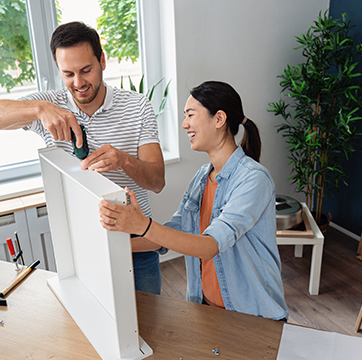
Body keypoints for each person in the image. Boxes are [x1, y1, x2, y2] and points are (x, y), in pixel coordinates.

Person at [0, 21, 165, 294]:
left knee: (150, 327)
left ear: (103, 61)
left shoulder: (137, 106)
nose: (79, 83)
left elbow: (157, 182)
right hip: (80, 244)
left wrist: (124, 160)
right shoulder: (49, 106)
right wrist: (38, 109)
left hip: (136, 244)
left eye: (86, 70)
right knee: (88, 328)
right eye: (68, 74)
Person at [99, 81, 288, 320]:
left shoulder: (254, 179)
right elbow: (174, 233)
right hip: (205, 309)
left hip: (252, 317)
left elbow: (209, 246)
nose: (184, 124)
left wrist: (142, 225)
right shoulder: (202, 177)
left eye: (190, 115)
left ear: (219, 119)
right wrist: (114, 247)